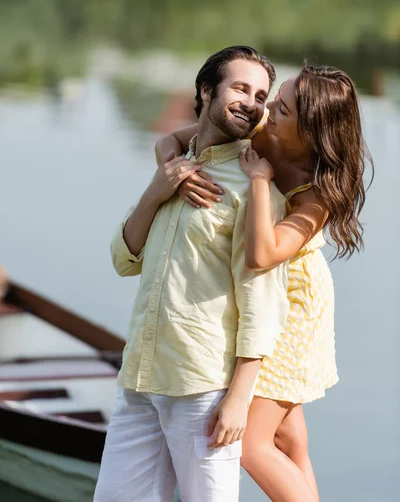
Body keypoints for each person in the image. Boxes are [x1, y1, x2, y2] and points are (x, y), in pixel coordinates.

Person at [156, 63, 372, 502]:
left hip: (292, 308)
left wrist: (258, 180)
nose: (268, 106)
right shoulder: (264, 134)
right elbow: (170, 140)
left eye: (283, 107)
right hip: (261, 293)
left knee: (253, 447)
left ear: (311, 131)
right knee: (289, 439)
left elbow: (261, 254)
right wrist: (179, 177)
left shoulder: (320, 193)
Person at [93, 46, 291, 502]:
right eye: (240, 88)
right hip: (140, 377)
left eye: (261, 95)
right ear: (206, 91)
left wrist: (239, 396)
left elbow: (262, 300)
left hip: (203, 385)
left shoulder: (253, 185)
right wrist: (157, 191)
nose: (252, 102)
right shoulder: (175, 167)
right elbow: (124, 259)